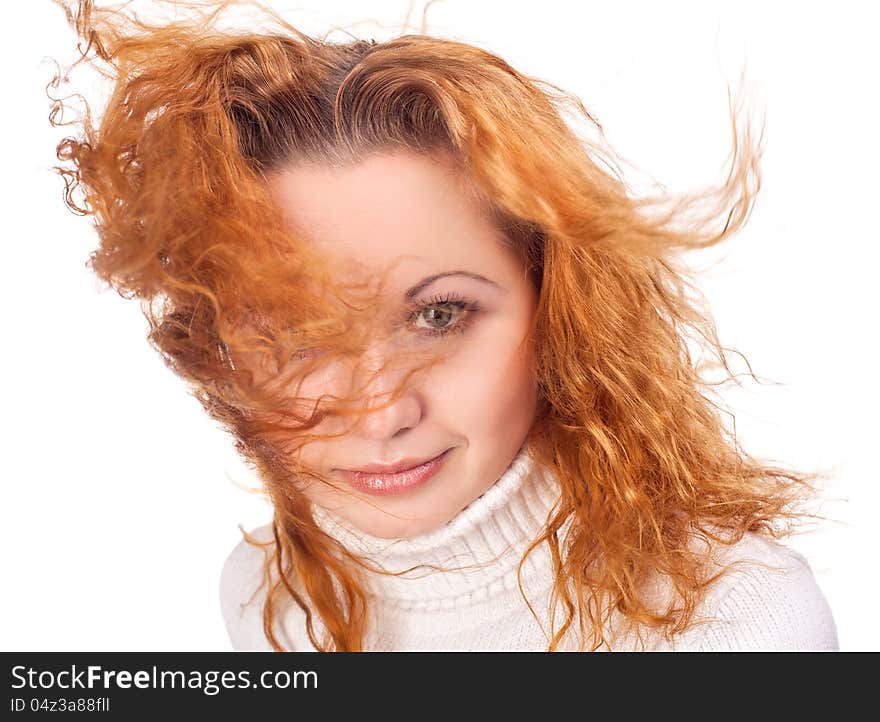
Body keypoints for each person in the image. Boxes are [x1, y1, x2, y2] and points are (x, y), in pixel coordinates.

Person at [49, 0, 838, 651]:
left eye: (438, 315)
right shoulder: (269, 594)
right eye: (293, 334)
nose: (384, 412)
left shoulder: (740, 619)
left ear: (556, 305)